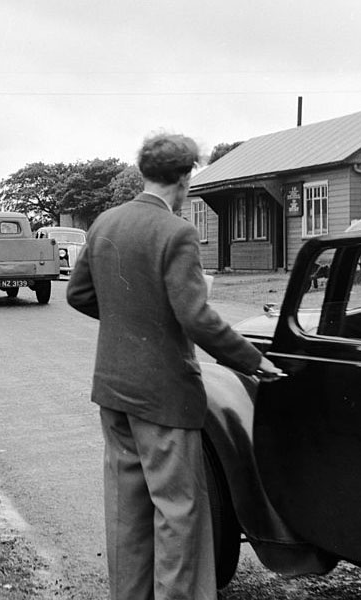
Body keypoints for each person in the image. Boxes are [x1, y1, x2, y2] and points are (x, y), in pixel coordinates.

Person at [66, 132, 284, 600]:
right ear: (184, 179)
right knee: (178, 512)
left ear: (146, 172)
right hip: (164, 395)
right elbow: (196, 317)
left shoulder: (105, 222)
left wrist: (131, 319)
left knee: (128, 511)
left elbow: (78, 295)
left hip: (113, 390)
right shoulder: (177, 232)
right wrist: (251, 360)